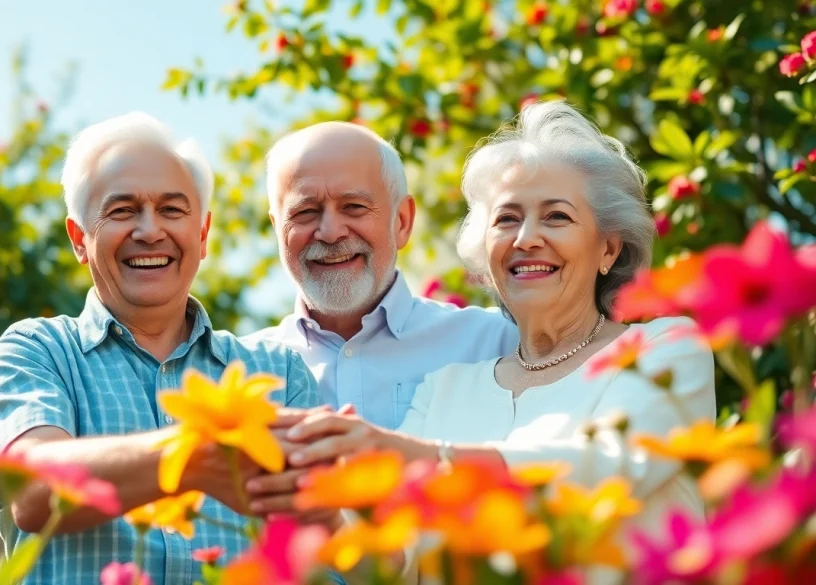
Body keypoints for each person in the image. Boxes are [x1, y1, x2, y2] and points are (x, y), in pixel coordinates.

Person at [261, 101, 718, 583]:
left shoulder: (664, 351)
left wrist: (408, 454)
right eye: (506, 219)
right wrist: (309, 496)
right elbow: (399, 563)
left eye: (557, 217)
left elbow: (599, 467)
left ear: (608, 247)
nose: (526, 239)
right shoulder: (445, 386)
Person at [0, 112, 325, 585]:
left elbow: (323, 553)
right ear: (79, 240)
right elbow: (35, 490)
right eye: (122, 210)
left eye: (172, 210)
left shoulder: (279, 375)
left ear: (202, 236)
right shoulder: (37, 350)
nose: (149, 231)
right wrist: (198, 457)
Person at [244, 121, 519, 432]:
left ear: (402, 222)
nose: (331, 232)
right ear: (277, 228)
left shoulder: (496, 344)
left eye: (354, 207)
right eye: (305, 212)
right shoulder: (237, 372)